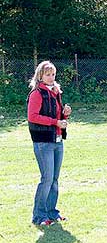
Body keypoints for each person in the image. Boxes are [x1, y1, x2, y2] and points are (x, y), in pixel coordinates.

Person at [27, 61, 72, 226]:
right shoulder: (37, 93)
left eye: (53, 74)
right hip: (43, 142)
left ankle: (52, 213)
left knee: (54, 179)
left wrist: (64, 115)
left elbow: (58, 116)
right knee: (46, 178)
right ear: (40, 76)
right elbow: (33, 117)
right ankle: (39, 216)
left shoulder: (55, 92)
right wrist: (55, 122)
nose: (51, 77)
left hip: (57, 140)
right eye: (48, 74)